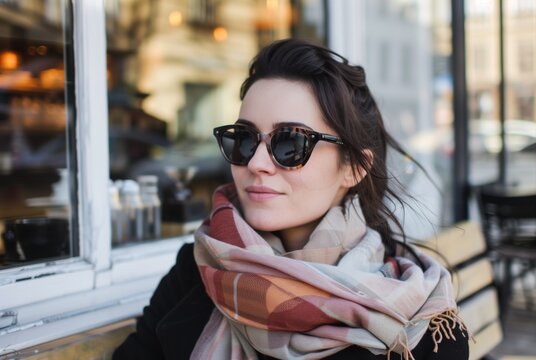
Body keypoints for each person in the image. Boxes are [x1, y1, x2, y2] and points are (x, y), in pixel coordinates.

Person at [113, 39, 469, 360]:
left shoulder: (418, 321)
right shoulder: (199, 267)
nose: (255, 163)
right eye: (245, 138)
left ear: (354, 169)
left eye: (290, 143)